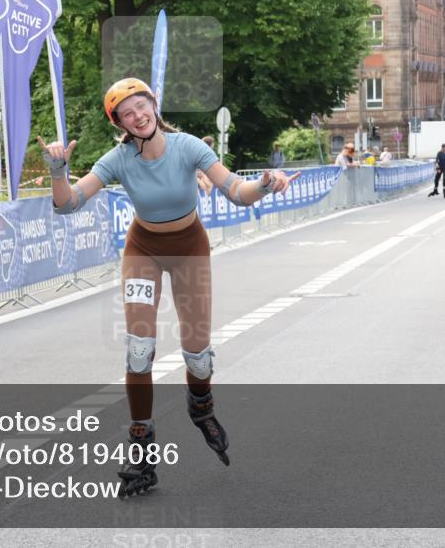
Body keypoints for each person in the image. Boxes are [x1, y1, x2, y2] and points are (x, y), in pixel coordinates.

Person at [39, 77, 296, 497]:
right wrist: (58, 171)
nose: (137, 116)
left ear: (154, 106)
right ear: (120, 123)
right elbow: (67, 204)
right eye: (127, 113)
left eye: (142, 106)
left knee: (197, 356)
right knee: (139, 349)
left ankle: (201, 406)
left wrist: (267, 184)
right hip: (143, 250)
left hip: (189, 248)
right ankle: (141, 448)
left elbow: (236, 191)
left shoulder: (189, 147)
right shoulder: (117, 159)